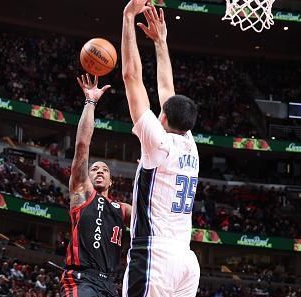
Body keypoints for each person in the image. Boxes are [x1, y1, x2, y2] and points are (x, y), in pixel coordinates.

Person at [121, 1, 200, 297]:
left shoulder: (160, 144)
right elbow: (168, 91)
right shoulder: (189, 143)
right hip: (185, 259)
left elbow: (132, 78)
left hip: (156, 256)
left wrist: (128, 18)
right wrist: (160, 42)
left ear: (162, 117)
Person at [60, 74, 131, 297]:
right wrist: (90, 102)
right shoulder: (82, 192)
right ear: (87, 177)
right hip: (82, 279)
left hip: (110, 284)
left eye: (105, 170)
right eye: (94, 169)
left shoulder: (123, 209)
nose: (99, 171)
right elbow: (82, 145)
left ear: (111, 181)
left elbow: (151, 214)